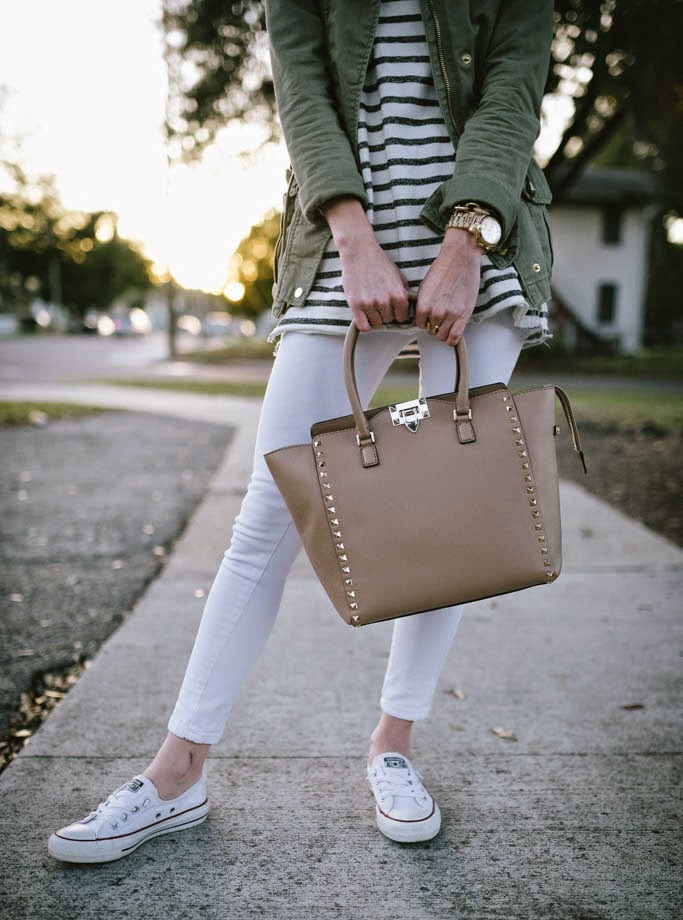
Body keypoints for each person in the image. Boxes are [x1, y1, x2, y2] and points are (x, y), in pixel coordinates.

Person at [48, 0, 555, 863]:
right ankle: (177, 775)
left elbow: (512, 85)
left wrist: (468, 239)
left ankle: (391, 745)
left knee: (452, 515)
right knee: (266, 514)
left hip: (479, 241)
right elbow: (303, 91)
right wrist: (352, 235)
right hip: (336, 247)